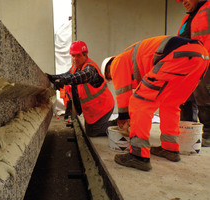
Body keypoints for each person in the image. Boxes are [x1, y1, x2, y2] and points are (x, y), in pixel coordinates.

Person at [101, 35, 209, 171]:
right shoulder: (132, 59)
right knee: (170, 104)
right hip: (201, 56)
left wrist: (123, 119)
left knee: (139, 101)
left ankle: (138, 156)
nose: (113, 79)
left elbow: (124, 96)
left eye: (110, 78)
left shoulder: (117, 62)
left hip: (179, 55)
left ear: (108, 69)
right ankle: (170, 148)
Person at [46, 41, 115, 137]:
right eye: (73, 56)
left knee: (93, 132)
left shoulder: (90, 68)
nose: (75, 59)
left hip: (103, 107)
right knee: (89, 130)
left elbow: (82, 76)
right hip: (94, 109)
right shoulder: (75, 67)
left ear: (85, 54)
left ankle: (118, 123)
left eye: (78, 55)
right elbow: (66, 75)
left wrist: (65, 81)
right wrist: (51, 77)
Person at [176, 0, 210, 147]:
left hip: (206, 60)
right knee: (185, 96)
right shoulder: (187, 18)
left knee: (204, 95)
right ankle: (188, 132)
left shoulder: (208, 8)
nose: (183, 2)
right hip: (190, 64)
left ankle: (208, 134)